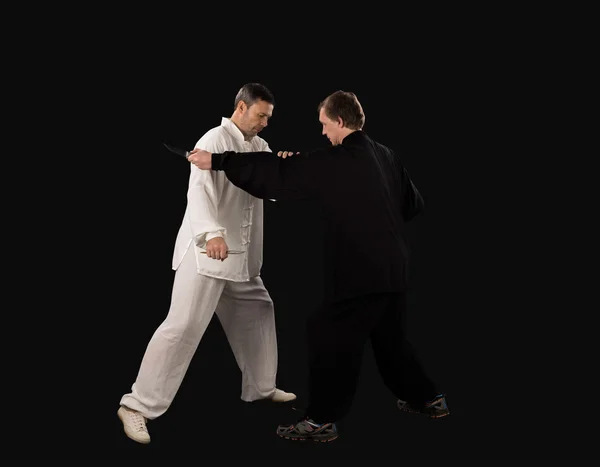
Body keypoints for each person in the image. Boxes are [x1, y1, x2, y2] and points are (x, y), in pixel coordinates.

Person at [186, 90, 449, 443]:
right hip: (395, 266)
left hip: (361, 270)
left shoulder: (337, 160)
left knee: (329, 337)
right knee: (391, 340)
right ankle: (429, 399)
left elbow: (278, 174)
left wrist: (218, 161)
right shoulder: (386, 155)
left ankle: (320, 421)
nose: (323, 133)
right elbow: (412, 204)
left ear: (340, 121)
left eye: (325, 125)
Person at [118, 83, 296, 444]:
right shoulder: (213, 139)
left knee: (260, 310)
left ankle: (261, 387)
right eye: (261, 115)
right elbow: (199, 190)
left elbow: (268, 186)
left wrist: (286, 169)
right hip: (207, 255)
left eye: (268, 117)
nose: (265, 123)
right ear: (241, 108)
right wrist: (211, 233)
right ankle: (136, 406)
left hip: (240, 257)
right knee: (183, 327)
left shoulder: (259, 146)